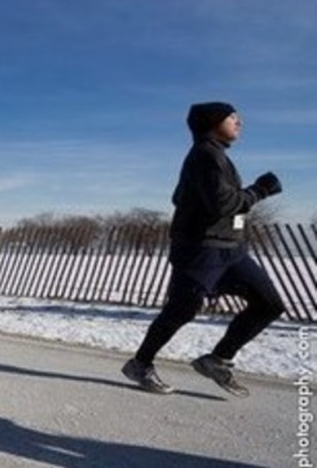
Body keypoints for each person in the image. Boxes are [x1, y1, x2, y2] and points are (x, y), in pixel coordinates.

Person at [122, 102, 286, 398]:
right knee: (181, 309)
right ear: (213, 122)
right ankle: (140, 364)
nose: (239, 122)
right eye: (232, 117)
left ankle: (218, 360)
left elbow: (183, 197)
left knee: (269, 304)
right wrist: (260, 190)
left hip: (231, 249)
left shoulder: (215, 156)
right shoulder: (205, 155)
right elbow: (223, 203)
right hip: (202, 250)